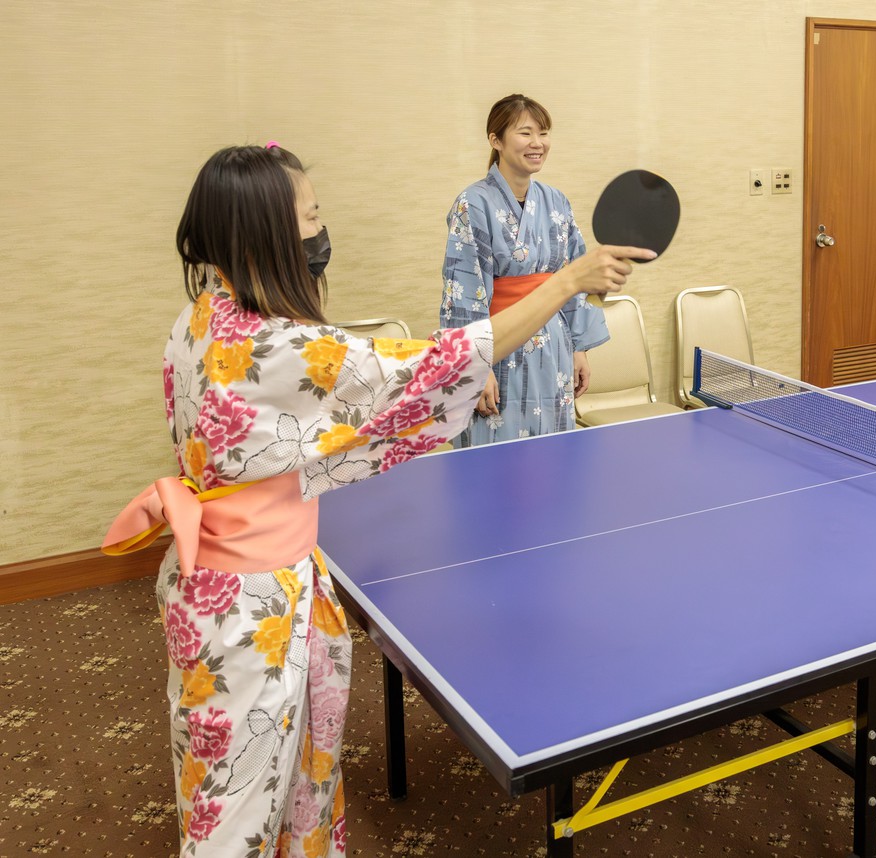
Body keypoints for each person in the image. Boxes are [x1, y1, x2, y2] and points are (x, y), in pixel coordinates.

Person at [101, 143, 650, 857]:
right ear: (270, 231)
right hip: (252, 607)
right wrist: (568, 280)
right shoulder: (281, 350)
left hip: (212, 585)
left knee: (279, 778)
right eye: (311, 213)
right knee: (235, 813)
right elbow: (440, 364)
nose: (319, 228)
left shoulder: (200, 316)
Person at [441, 94, 606, 444]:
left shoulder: (556, 202)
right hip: (498, 346)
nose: (537, 143)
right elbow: (463, 292)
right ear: (495, 140)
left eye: (543, 133)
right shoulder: (472, 204)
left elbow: (573, 277)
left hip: (554, 346)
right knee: (494, 459)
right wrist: (475, 368)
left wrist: (579, 347)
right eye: (525, 133)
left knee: (552, 456)